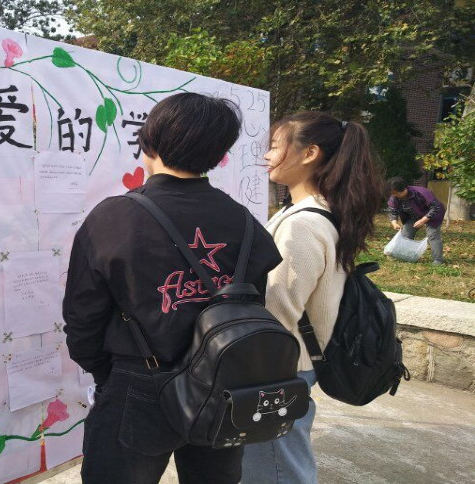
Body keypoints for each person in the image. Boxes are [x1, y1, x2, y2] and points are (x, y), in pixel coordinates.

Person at [62, 93, 282, 484]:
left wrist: (107, 373)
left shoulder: (114, 217)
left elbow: (82, 318)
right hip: (224, 382)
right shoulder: (244, 221)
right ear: (220, 154)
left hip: (140, 381)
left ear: (148, 141)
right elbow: (250, 308)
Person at [241, 112, 383, 483]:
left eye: (275, 146)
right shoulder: (316, 211)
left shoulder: (302, 223)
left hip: (277, 366)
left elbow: (276, 311)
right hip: (293, 362)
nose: (267, 155)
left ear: (309, 154)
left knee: (277, 469)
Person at [387, 176, 446, 265]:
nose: (394, 195)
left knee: (432, 235)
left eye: (396, 193)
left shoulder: (422, 192)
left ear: (404, 189)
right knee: (406, 234)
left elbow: (435, 207)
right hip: (414, 215)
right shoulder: (395, 197)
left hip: (433, 214)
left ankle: (438, 260)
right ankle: (404, 255)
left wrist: (423, 221)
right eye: (393, 193)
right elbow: (392, 209)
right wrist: (394, 222)